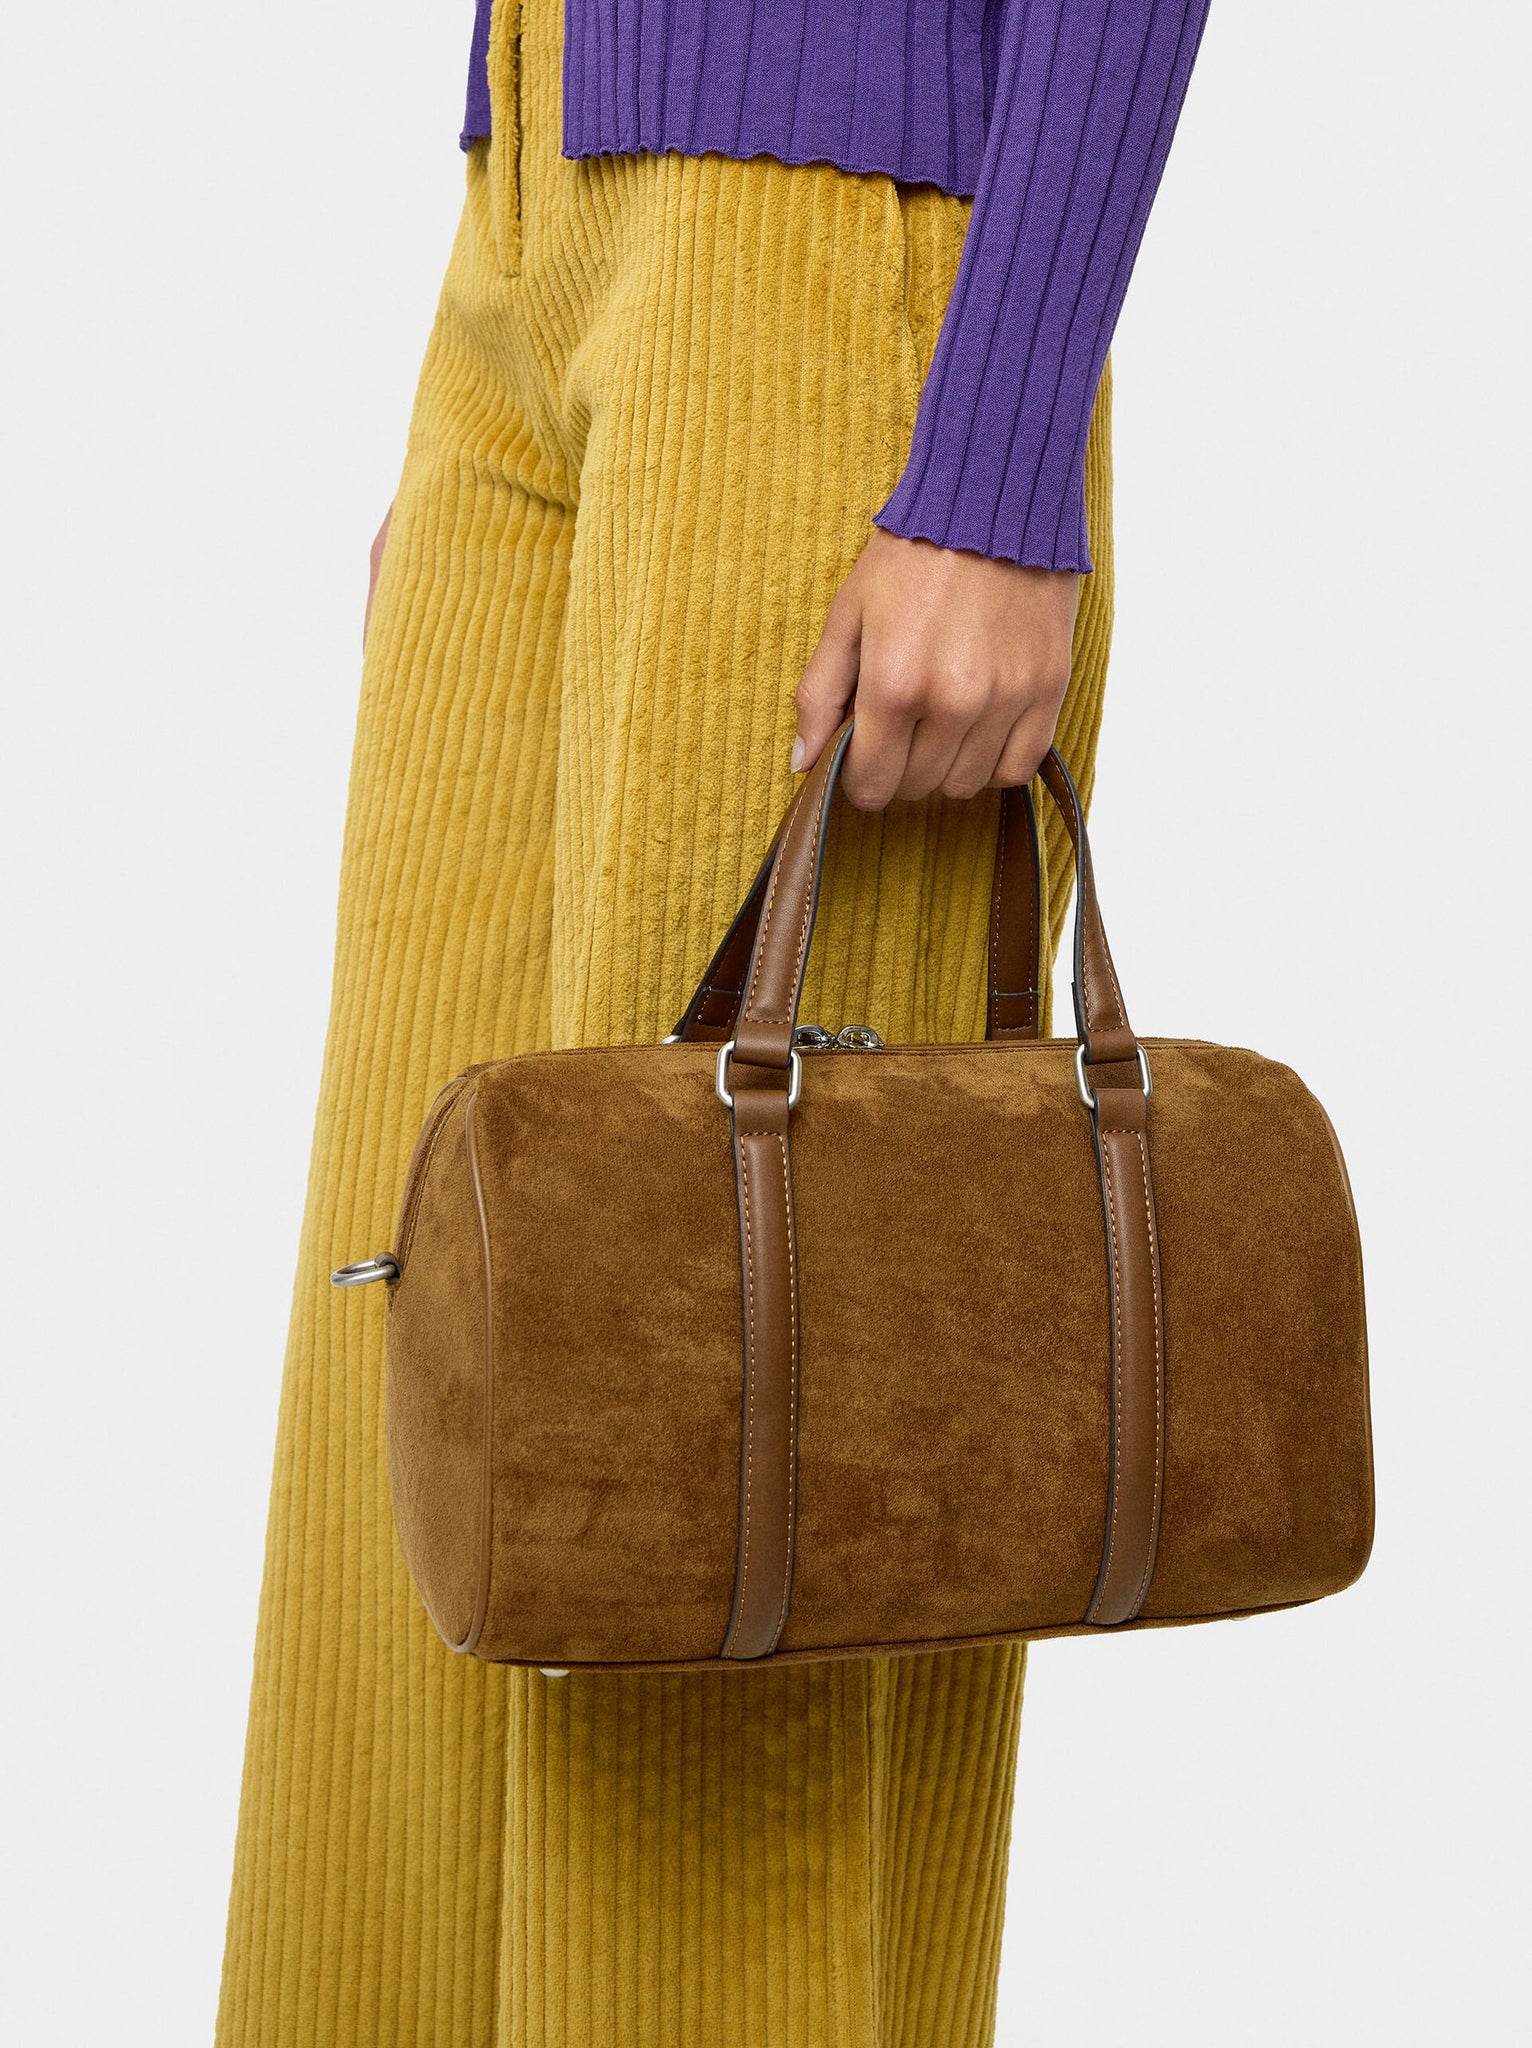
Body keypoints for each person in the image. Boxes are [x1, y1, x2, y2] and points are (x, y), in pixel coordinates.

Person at [217, 3, 1210, 2042]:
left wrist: (999, 449)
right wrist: (505, 320)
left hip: (823, 246)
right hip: (532, 215)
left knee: (715, 1499)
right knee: (413, 1467)